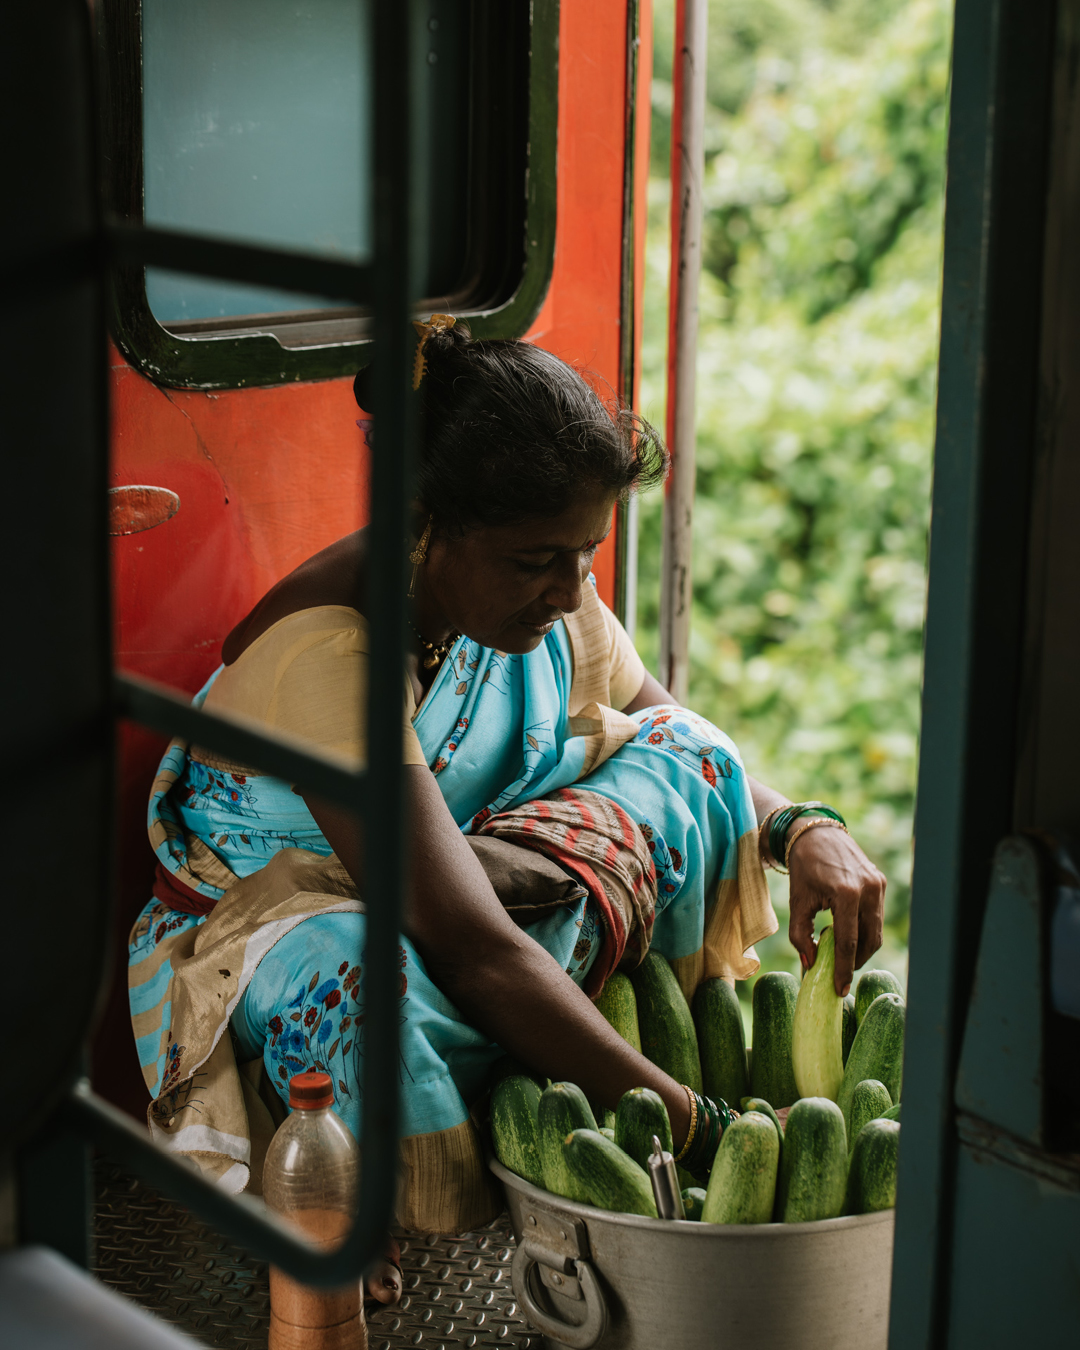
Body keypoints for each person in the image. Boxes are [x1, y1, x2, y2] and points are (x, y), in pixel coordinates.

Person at [128, 317, 885, 1275]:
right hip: (292, 925)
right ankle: (380, 1180)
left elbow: (669, 727)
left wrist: (803, 830)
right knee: (371, 981)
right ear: (421, 525)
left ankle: (605, 1058)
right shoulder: (329, 655)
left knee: (689, 754)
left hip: (465, 877)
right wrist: (699, 1130)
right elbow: (468, 944)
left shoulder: (542, 591)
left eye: (588, 553)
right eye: (538, 562)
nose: (570, 591)